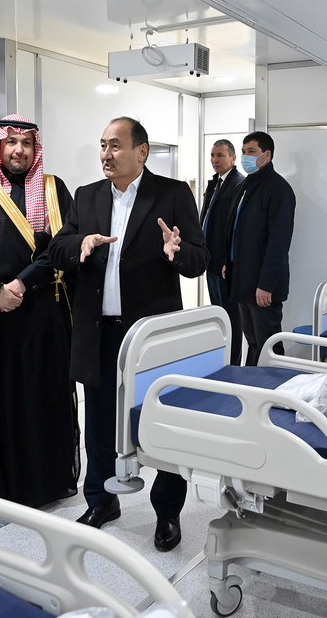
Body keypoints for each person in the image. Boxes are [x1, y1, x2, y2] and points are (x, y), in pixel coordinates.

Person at [48, 117, 208, 551]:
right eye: (102, 145)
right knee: (99, 421)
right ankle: (101, 501)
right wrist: (79, 245)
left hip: (151, 339)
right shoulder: (87, 195)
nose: (106, 154)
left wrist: (177, 251)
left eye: (115, 145)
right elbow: (57, 248)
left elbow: (199, 259)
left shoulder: (172, 194)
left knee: (160, 421)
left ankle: (167, 512)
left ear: (141, 151)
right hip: (99, 333)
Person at [0, 114, 79, 507]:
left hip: (46, 318)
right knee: (2, 400)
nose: (18, 150)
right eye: (11, 142)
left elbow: (65, 245)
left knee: (45, 399)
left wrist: (21, 282)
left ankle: (45, 484)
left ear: (36, 148)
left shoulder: (55, 189)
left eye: (26, 143)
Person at [224, 131, 295, 366]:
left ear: (267, 155)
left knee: (268, 344)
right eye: (244, 152)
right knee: (253, 341)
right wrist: (228, 262)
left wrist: (266, 285)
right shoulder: (244, 186)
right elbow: (236, 230)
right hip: (243, 280)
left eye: (252, 152)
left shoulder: (279, 189)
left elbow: (279, 243)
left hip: (263, 286)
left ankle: (275, 386)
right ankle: (251, 384)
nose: (246, 157)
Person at [201, 139, 246, 365]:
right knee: (219, 315)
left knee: (231, 318)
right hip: (211, 262)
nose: (215, 160)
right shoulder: (214, 184)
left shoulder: (239, 184)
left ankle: (233, 364)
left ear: (233, 158)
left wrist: (232, 261)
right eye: (212, 155)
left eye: (220, 155)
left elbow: (239, 229)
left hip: (226, 265)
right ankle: (221, 360)